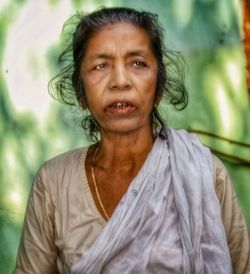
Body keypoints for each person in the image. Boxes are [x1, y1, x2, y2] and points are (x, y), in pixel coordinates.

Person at [14, 7, 249, 274]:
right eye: (100, 65)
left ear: (158, 86)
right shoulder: (54, 183)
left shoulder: (205, 173)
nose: (120, 81)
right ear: (81, 92)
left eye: (137, 63)